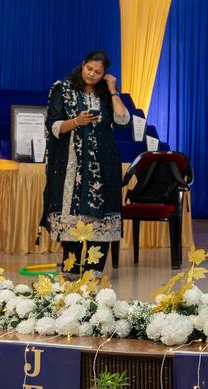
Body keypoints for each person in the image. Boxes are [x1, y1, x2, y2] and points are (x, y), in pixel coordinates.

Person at [41, 50, 130, 277]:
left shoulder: (106, 93)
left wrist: (113, 90)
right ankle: (71, 270)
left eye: (98, 72)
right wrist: (76, 121)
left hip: (104, 164)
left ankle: (94, 271)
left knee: (102, 216)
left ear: (104, 74)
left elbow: (123, 120)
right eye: (89, 69)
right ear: (82, 65)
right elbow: (53, 126)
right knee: (73, 213)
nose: (92, 74)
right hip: (72, 163)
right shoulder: (63, 89)